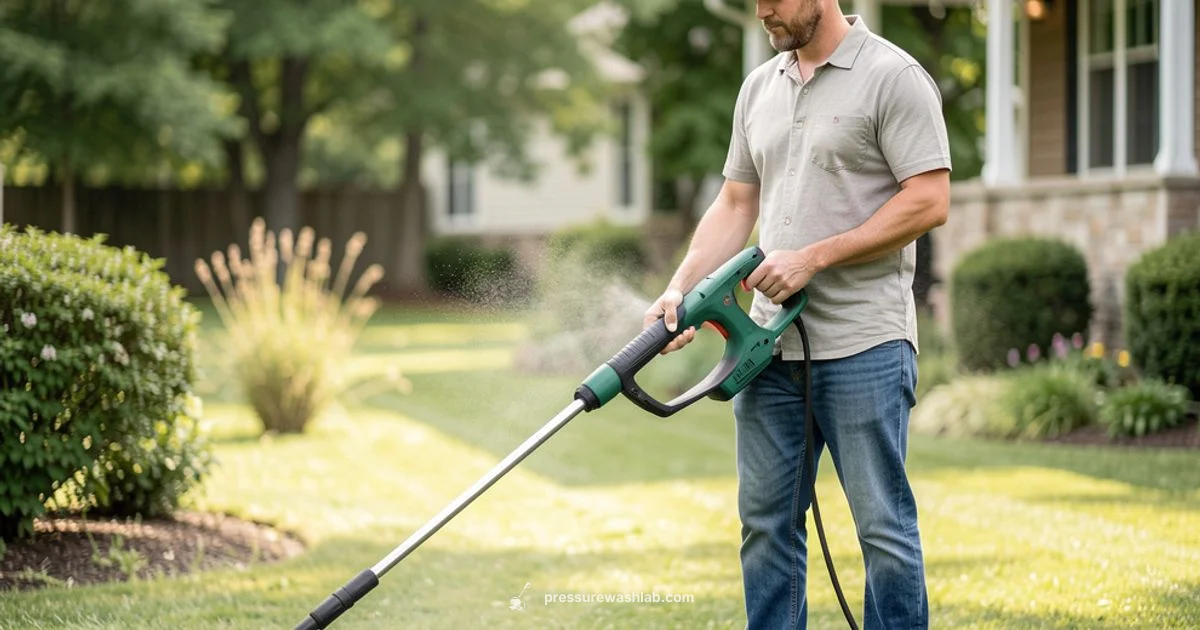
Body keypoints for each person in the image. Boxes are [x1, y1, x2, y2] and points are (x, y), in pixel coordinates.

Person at [643, 1, 951, 628]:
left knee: (882, 529)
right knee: (765, 527)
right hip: (765, 347)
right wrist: (682, 289)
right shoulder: (759, 86)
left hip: (865, 343)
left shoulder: (892, 76)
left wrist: (813, 258)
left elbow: (928, 200)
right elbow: (734, 202)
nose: (762, 11)